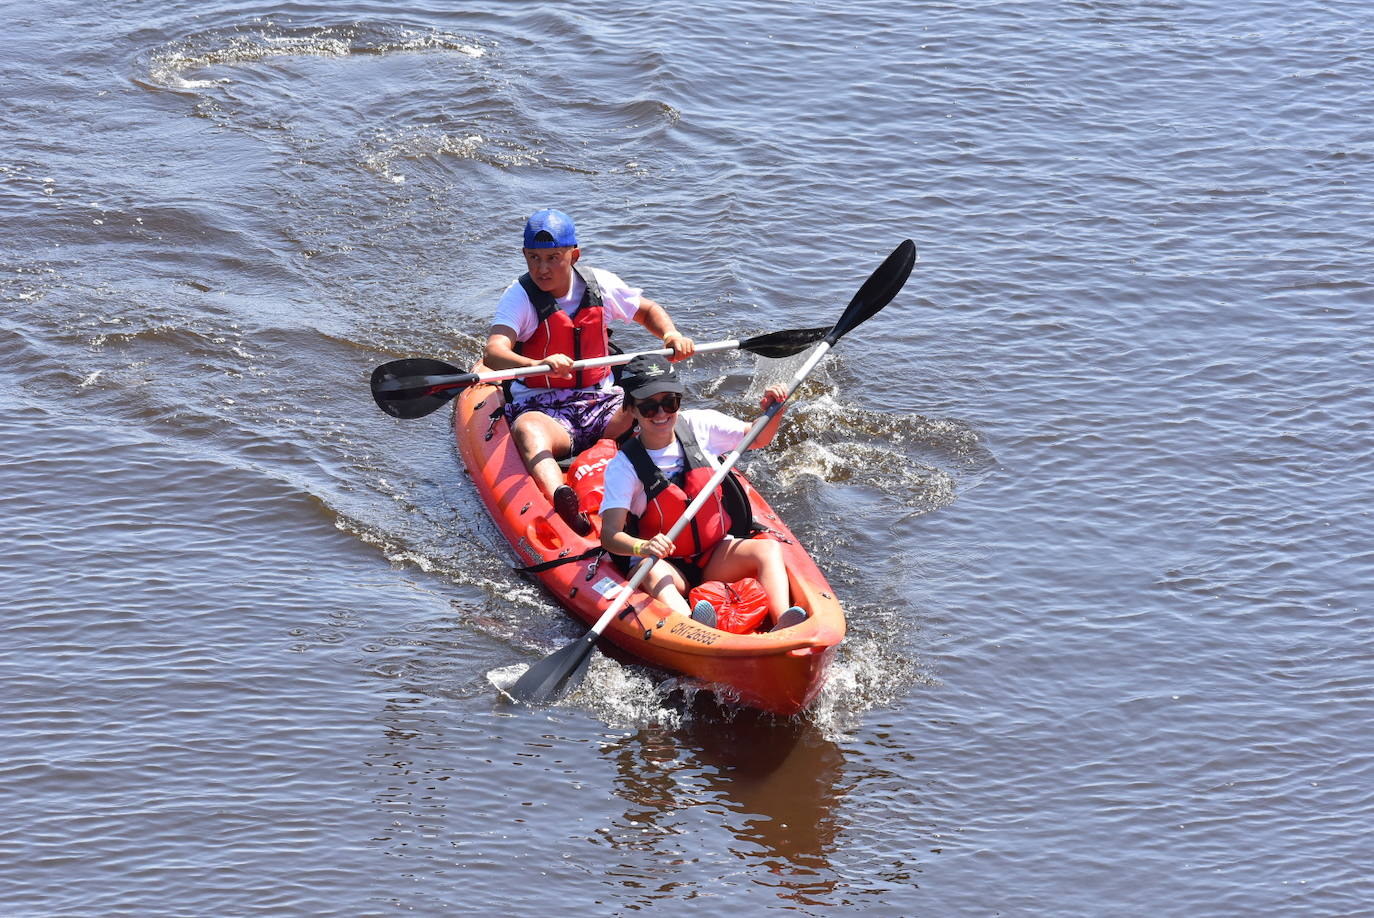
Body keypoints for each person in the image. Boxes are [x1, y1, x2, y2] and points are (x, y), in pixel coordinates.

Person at [483, 208, 695, 536]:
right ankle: (560, 497)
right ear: (525, 256)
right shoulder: (520, 297)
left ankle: (670, 480)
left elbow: (648, 310)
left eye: (553, 257)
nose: (542, 268)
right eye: (534, 258)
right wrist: (536, 366)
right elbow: (494, 352)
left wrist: (670, 335)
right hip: (544, 410)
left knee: (652, 400)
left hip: (604, 405)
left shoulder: (600, 285)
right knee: (526, 429)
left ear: (574, 254)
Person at [598, 354, 809, 631]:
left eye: (669, 403)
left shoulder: (701, 425)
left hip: (713, 554)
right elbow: (609, 535)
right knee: (650, 570)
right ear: (633, 411)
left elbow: (758, 437)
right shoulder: (623, 467)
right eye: (649, 407)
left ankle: (783, 622)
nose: (661, 414)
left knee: (768, 549)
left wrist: (775, 410)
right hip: (666, 563)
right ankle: (694, 625)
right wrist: (643, 546)